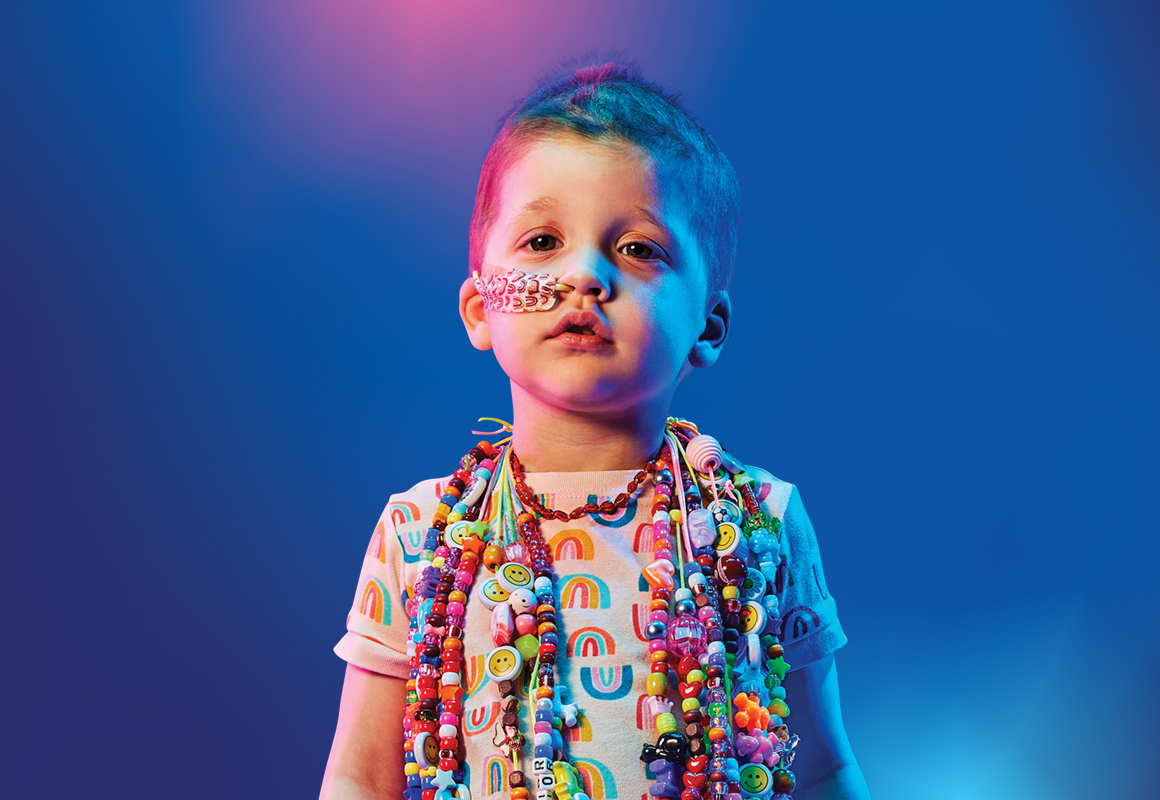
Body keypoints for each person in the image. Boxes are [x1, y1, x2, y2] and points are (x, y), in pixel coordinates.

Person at [320, 61, 870, 800]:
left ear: (708, 324)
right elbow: (361, 778)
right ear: (482, 307)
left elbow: (823, 769)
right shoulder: (419, 533)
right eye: (543, 241)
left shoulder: (759, 522)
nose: (584, 275)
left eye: (638, 248)